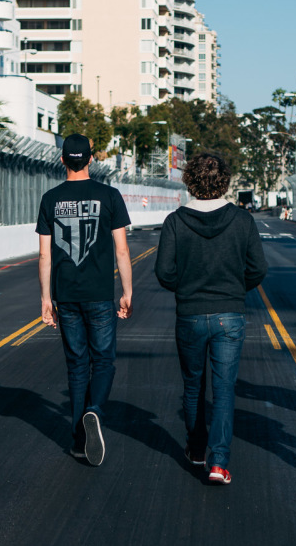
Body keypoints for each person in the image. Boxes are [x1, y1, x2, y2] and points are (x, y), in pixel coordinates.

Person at [155, 153, 267, 485]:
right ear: (225, 181)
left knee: (193, 386)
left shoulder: (175, 221)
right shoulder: (242, 220)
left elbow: (164, 272)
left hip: (190, 313)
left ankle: (195, 449)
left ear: (190, 180)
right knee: (224, 389)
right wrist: (234, 289)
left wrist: (187, 289)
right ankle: (218, 462)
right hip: (229, 314)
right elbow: (258, 269)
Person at [37, 133, 133, 466]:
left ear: (62, 160)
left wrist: (45, 298)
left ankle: (79, 441)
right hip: (100, 294)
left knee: (77, 366)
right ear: (91, 159)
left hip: (66, 295)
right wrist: (127, 292)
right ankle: (94, 410)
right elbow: (122, 249)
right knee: (103, 361)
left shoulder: (50, 199)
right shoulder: (110, 195)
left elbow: (45, 255)